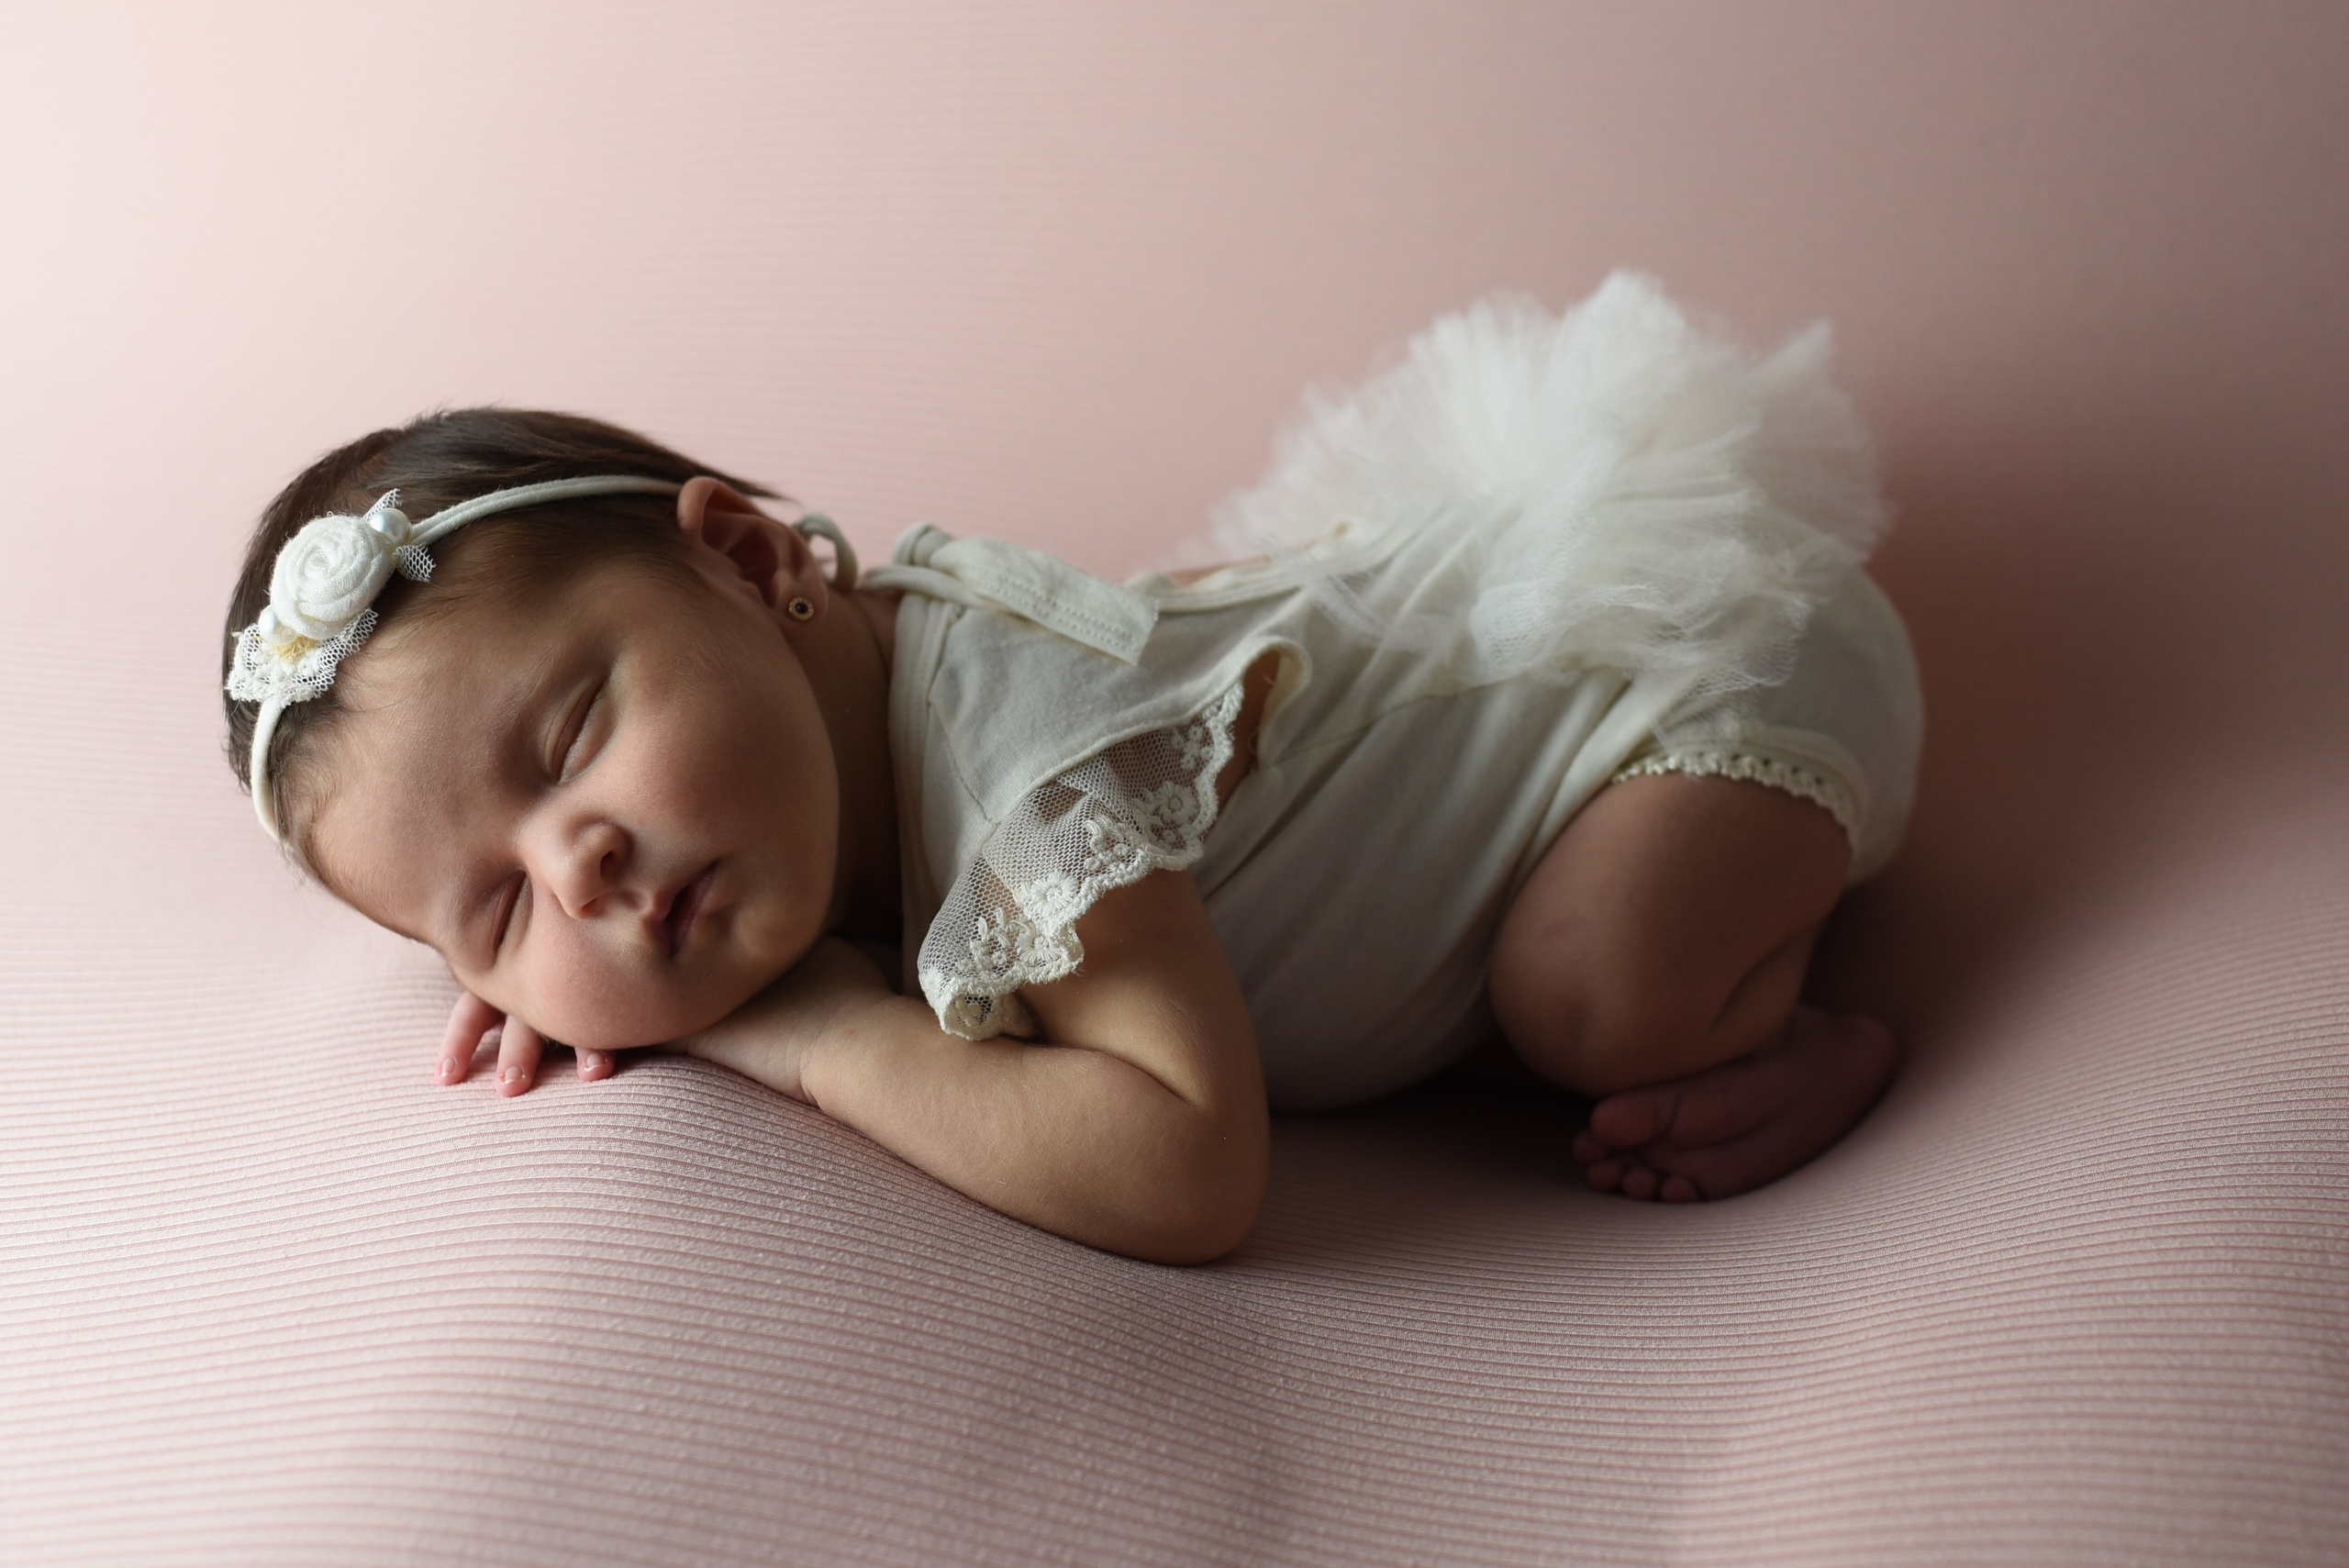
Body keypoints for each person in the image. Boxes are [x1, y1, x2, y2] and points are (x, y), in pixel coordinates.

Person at [219, 272, 1921, 1265]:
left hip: (1686, 673)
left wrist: (812, 1023)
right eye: (496, 905)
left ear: (747, 559)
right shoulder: (784, 788)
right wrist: (585, 974)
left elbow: (1190, 1166)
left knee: (1598, 1001)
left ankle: (1807, 1017)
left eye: (574, 740)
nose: (581, 864)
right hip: (1517, 679)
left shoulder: (1009, 754)